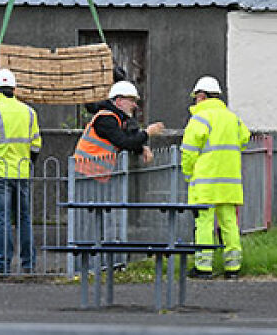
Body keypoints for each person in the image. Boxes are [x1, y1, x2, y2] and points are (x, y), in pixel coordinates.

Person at [71, 80, 165, 254]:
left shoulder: (112, 118)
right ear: (119, 100)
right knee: (88, 219)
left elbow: (125, 141)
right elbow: (123, 142)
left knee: (97, 217)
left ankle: (96, 253)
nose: (135, 105)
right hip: (87, 175)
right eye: (131, 100)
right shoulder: (105, 119)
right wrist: (147, 134)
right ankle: (89, 254)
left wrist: (141, 147)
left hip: (95, 174)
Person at [181, 75, 251, 279]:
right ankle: (233, 267)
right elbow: (245, 138)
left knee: (203, 224)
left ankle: (203, 267)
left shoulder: (199, 119)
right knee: (229, 223)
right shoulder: (232, 118)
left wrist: (188, 175)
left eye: (196, 97)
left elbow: (188, 152)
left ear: (201, 96)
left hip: (205, 183)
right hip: (229, 183)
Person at [0, 68, 42, 275]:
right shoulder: (29, 112)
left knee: (2, 219)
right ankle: (28, 264)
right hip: (22, 172)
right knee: (24, 219)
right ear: (14, 88)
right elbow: (36, 146)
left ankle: (2, 265)